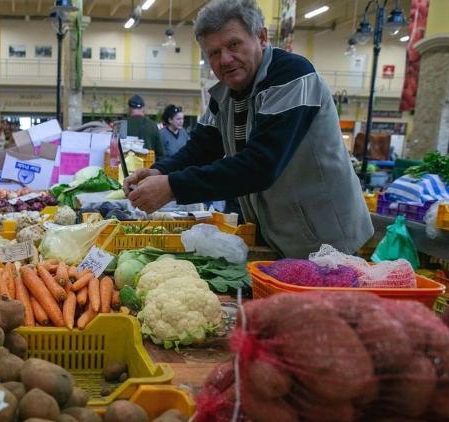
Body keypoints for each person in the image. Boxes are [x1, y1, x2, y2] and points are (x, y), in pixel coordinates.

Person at [124, 0, 372, 258]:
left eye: (233, 45)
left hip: (326, 239)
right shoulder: (225, 95)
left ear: (262, 37)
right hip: (278, 234)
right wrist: (159, 171)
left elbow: (261, 165)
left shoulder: (292, 77)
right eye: (214, 53)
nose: (226, 59)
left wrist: (173, 186)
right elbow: (201, 147)